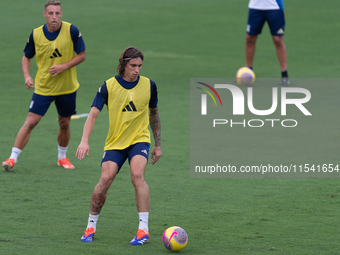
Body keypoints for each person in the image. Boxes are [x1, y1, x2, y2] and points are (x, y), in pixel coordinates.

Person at [76, 46, 162, 245]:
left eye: (140, 66)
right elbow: (93, 115)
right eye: (133, 65)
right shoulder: (108, 86)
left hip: (139, 139)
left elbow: (154, 113)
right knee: (105, 179)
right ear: (123, 64)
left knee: (137, 175)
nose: (137, 69)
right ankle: (90, 225)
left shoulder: (150, 86)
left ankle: (143, 230)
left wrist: (157, 144)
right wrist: (84, 140)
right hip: (115, 142)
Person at [2, 0, 86, 171]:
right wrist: (27, 75)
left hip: (67, 88)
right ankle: (12, 158)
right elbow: (27, 57)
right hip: (44, 88)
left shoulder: (72, 30)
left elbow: (82, 55)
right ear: (44, 14)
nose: (54, 17)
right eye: (50, 13)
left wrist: (64, 66)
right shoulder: (36, 34)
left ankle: (62, 158)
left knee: (64, 123)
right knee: (31, 122)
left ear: (61, 14)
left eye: (57, 13)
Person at [245, 0, 289, 85]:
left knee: (277, 39)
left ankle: (284, 75)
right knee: (249, 38)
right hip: (255, 6)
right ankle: (248, 72)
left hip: (274, 6)